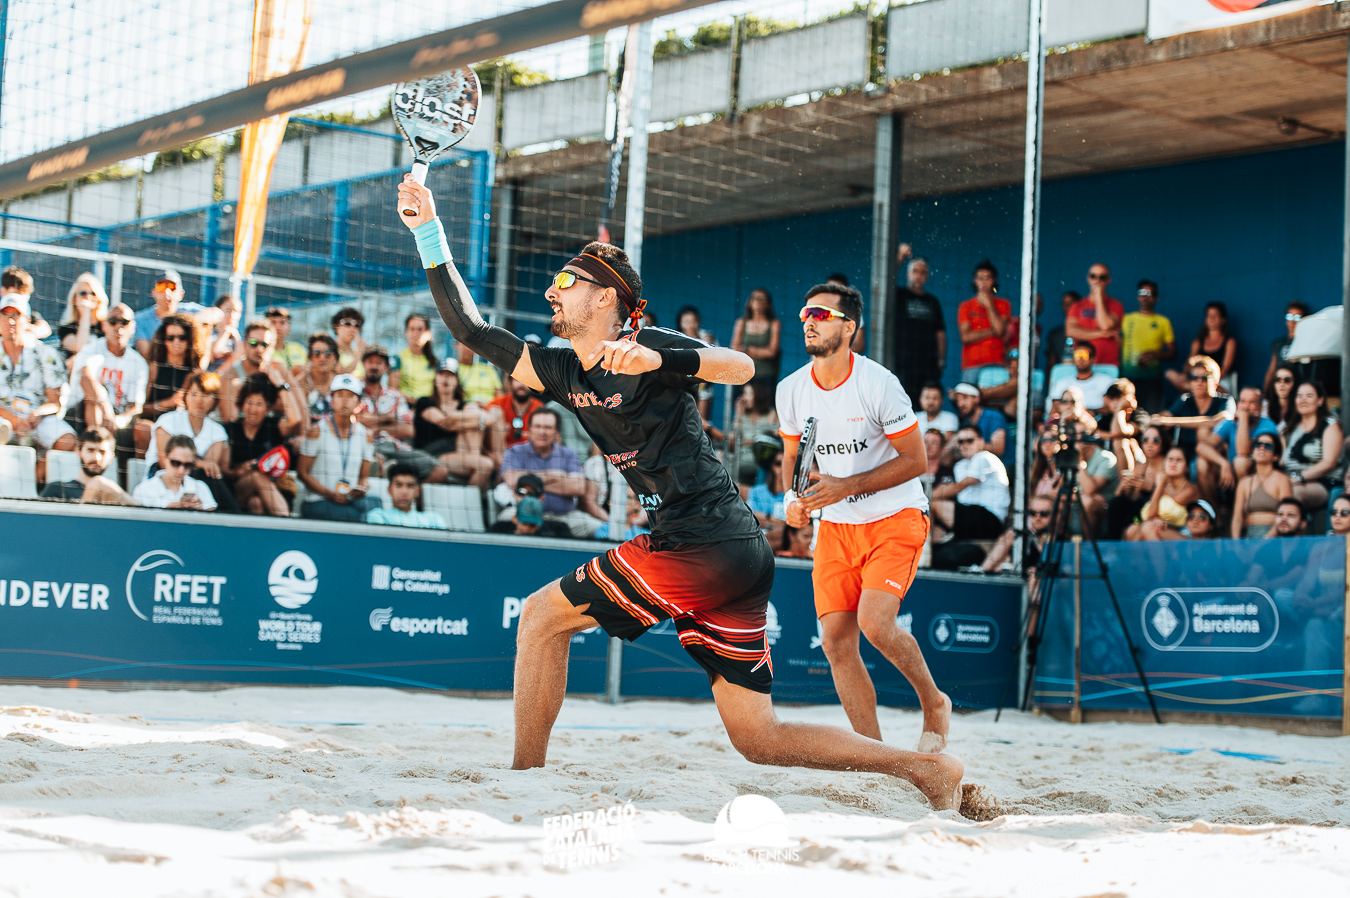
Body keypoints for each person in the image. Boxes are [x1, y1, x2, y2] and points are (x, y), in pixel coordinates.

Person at [398, 176, 963, 809]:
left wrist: (659, 362)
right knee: (760, 739)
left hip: (707, 540)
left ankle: (524, 784)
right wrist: (428, 230)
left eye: (568, 280)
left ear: (607, 297)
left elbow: (742, 367)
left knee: (539, 618)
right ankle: (923, 769)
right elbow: (472, 330)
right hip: (728, 549)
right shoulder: (561, 367)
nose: (554, 289)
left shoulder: (649, 346)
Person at [776, 282, 951, 752]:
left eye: (821, 313)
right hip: (834, 525)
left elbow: (917, 462)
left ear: (849, 327)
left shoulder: (878, 383)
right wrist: (793, 503)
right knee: (835, 642)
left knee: (876, 625)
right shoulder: (790, 389)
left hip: (894, 516)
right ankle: (875, 757)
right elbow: (794, 464)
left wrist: (845, 487)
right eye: (804, 313)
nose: (808, 320)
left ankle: (934, 704)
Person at [64, 302, 150, 466]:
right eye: (112, 321)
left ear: (132, 327)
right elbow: (85, 378)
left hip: (118, 419)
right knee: (92, 402)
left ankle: (135, 479)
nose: (118, 327)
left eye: (124, 322)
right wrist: (105, 407)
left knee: (146, 428)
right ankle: (96, 455)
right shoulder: (91, 350)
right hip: (81, 414)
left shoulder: (138, 362)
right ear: (104, 325)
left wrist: (120, 420)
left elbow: (135, 406)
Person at [501, 407, 605, 537]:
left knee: (597, 528)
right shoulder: (515, 451)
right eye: (537, 426)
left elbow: (578, 487)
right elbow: (511, 480)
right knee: (503, 520)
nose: (542, 432)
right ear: (530, 429)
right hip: (524, 515)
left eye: (548, 427)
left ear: (556, 432)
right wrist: (557, 476)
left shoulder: (569, 454)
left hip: (565, 517)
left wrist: (531, 484)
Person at [355, 345, 450, 484]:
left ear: (387, 368)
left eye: (379, 363)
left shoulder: (395, 396)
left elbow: (409, 430)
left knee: (440, 471)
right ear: (363, 364)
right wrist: (387, 419)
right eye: (370, 362)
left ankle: (411, 498)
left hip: (396, 448)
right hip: (365, 447)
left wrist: (375, 426)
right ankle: (384, 467)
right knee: (375, 463)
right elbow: (354, 421)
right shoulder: (353, 391)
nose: (374, 366)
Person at [146, 370, 237, 512]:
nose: (199, 400)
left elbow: (210, 468)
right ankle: (232, 514)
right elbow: (165, 461)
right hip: (162, 479)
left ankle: (231, 515)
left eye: (205, 394)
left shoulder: (217, 431)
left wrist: (199, 464)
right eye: (194, 393)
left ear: (215, 399)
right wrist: (198, 463)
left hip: (197, 483)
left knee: (209, 476)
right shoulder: (168, 421)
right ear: (186, 395)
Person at [0, 291, 76, 455]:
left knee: (68, 440)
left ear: (27, 321)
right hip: (2, 418)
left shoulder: (45, 353)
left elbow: (55, 402)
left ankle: (37, 477)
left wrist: (38, 413)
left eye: (16, 315)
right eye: (5, 315)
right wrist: (12, 419)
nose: (10, 321)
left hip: (35, 420)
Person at [297, 373, 380, 521]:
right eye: (340, 395)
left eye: (350, 395)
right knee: (353, 517)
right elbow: (302, 473)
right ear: (332, 399)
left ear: (358, 402)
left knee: (376, 505)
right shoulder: (317, 431)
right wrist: (330, 494)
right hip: (319, 499)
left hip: (349, 500)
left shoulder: (365, 434)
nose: (345, 400)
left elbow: (364, 478)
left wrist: (360, 489)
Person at [1149, 356, 1235, 496]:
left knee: (1203, 437)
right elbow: (1164, 417)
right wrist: (1154, 419)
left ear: (1215, 380)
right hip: (1185, 457)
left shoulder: (1225, 401)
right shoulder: (1184, 400)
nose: (1199, 382)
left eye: (1204, 378)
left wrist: (1174, 421)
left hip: (1214, 460)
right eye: (1194, 378)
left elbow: (1217, 421)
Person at [224, 376, 305, 516]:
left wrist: (281, 385)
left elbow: (296, 419)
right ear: (242, 404)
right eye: (249, 403)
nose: (253, 409)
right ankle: (285, 520)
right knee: (256, 475)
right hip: (238, 490)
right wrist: (241, 470)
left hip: (271, 489)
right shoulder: (230, 429)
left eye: (260, 404)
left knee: (256, 503)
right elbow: (223, 470)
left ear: (268, 408)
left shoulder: (274, 426)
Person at [413, 358, 495, 491]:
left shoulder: (464, 406)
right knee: (485, 465)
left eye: (450, 375)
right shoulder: (425, 402)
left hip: (460, 452)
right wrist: (477, 420)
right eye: (441, 374)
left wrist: (457, 416)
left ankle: (474, 458)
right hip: (433, 454)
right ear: (435, 378)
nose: (445, 379)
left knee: (472, 410)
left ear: (457, 380)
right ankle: (474, 500)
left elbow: (491, 419)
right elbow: (446, 423)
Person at [930, 425, 1009, 543]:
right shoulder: (960, 466)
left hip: (990, 519)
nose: (965, 445)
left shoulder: (985, 457)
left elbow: (959, 486)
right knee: (935, 530)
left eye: (970, 440)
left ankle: (924, 554)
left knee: (933, 504)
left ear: (981, 442)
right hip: (970, 516)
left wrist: (926, 496)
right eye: (961, 441)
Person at [1280, 380, 1343, 513]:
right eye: (1299, 396)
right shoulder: (1288, 429)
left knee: (1292, 493)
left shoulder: (1330, 426)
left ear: (1320, 400)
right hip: (1290, 480)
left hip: (1323, 482)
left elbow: (1329, 463)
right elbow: (1280, 461)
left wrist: (1298, 478)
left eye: (1309, 396)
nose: (1303, 400)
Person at [218, 321, 301, 423]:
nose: (259, 349)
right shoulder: (231, 376)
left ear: (272, 346)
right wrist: (273, 405)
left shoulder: (278, 368)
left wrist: (301, 435)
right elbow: (230, 421)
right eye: (253, 343)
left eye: (265, 344)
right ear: (244, 344)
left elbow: (301, 407)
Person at [1201, 385, 1281, 487]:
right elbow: (1202, 446)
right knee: (1202, 463)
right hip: (1231, 472)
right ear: (1237, 405)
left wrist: (1243, 419)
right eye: (1243, 402)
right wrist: (1223, 463)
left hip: (1259, 476)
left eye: (1252, 402)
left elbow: (1243, 452)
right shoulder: (1230, 423)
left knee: (1240, 462)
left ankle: (1245, 501)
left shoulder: (1267, 425)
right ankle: (1212, 503)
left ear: (1261, 408)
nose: (1246, 407)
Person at [133, 269, 217, 360]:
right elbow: (147, 353)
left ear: (181, 294)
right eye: (161, 287)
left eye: (172, 287)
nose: (167, 292)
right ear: (153, 292)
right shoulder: (140, 318)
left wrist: (185, 323)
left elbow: (217, 313)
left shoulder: (189, 310)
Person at [892, 250, 946, 390]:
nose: (918, 275)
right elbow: (886, 278)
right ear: (907, 274)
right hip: (902, 362)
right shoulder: (899, 295)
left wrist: (941, 360)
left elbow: (940, 333)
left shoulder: (932, 301)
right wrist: (900, 257)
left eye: (922, 272)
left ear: (927, 276)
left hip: (927, 363)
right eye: (915, 271)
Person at [41, 427, 136, 505]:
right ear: (78, 452)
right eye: (90, 450)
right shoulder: (56, 488)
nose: (96, 458)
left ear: (111, 457)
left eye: (102, 452)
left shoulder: (117, 494)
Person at [1105, 425, 1170, 539]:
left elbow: (1173, 493)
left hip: (1159, 510)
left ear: (1163, 442)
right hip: (1139, 510)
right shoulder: (1140, 467)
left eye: (1155, 440)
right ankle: (1113, 546)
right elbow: (1127, 497)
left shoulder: (1168, 464)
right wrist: (1124, 486)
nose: (1150, 444)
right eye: (1145, 440)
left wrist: (1150, 487)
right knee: (1116, 503)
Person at [142, 314, 207, 426]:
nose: (176, 342)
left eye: (182, 337)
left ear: (191, 339)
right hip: (153, 424)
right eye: (170, 338)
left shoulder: (196, 372)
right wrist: (168, 403)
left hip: (184, 426)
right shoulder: (153, 368)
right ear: (163, 340)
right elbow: (140, 410)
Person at [1119, 279, 1174, 411]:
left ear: (1156, 297)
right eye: (1142, 292)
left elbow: (1173, 353)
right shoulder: (1126, 319)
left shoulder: (1163, 322)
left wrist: (1155, 355)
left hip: (1152, 379)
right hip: (1128, 378)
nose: (1145, 296)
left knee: (1152, 416)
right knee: (1128, 415)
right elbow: (1117, 345)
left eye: (1150, 293)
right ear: (1138, 296)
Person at [1123, 447, 1199, 541]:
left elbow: (1151, 515)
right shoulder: (1165, 487)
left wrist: (1159, 486)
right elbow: (1151, 516)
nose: (1173, 463)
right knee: (1132, 530)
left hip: (1182, 535)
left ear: (1187, 467)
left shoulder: (1190, 489)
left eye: (1179, 460)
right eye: (1170, 459)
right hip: (1160, 530)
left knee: (1148, 527)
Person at [956, 259, 1010, 385]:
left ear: (994, 280)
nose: (984, 282)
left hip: (996, 362)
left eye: (988, 278)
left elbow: (1000, 330)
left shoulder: (1004, 304)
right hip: (971, 364)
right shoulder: (966, 306)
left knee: (996, 402)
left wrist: (989, 305)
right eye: (980, 278)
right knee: (968, 401)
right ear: (975, 280)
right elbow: (965, 337)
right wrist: (992, 331)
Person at [131, 434, 217, 511]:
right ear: (164, 459)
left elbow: (214, 522)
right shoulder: (143, 490)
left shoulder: (201, 488)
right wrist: (166, 511)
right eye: (176, 463)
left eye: (188, 465)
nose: (181, 470)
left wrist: (202, 510)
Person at [1231, 432, 1292, 539]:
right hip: (1248, 535)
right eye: (1257, 444)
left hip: (1275, 536)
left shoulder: (1282, 479)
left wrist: (1265, 540)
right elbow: (1237, 517)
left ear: (1276, 456)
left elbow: (1286, 515)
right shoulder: (1244, 482)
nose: (1261, 448)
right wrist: (1236, 543)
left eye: (1268, 446)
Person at [1167, 301, 1237, 394]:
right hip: (1198, 379)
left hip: (1219, 382)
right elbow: (1189, 363)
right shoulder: (1198, 341)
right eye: (1208, 315)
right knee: (1169, 373)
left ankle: (1196, 388)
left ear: (1223, 319)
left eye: (1215, 315)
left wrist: (1209, 381)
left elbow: (1225, 369)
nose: (1211, 319)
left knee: (1213, 389)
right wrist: (1185, 374)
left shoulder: (1230, 342)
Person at [980, 493, 1055, 574]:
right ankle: (980, 571)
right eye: (1033, 513)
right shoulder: (1029, 539)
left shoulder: (1058, 541)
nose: (1037, 517)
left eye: (1044, 514)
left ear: (1055, 515)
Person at [1065, 263, 1124, 368]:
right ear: (1088, 278)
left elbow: (1105, 325)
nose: (1097, 280)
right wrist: (1103, 334)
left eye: (1102, 277)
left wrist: (1099, 298)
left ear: (1109, 280)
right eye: (1093, 276)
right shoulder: (1077, 306)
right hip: (1083, 365)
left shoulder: (1116, 305)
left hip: (1109, 364)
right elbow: (1071, 331)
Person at [364, 463, 449, 529]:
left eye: (410, 486)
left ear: (417, 491)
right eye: (399, 485)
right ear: (389, 489)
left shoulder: (433, 519)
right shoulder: (378, 516)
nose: (404, 492)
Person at [486, 373, 544, 465]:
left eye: (526, 381)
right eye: (517, 380)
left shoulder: (539, 408)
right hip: (500, 456)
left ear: (532, 385)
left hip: (529, 457)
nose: (521, 385)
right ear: (510, 383)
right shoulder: (498, 402)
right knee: (494, 411)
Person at [729, 381, 779, 487]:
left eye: (748, 394)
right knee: (722, 455)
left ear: (758, 395)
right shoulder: (743, 414)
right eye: (743, 394)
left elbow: (766, 438)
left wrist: (744, 442)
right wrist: (737, 415)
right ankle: (727, 489)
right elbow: (733, 439)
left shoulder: (770, 413)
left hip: (758, 456)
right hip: (741, 454)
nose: (744, 398)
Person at [676, 305, 718, 428]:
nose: (690, 325)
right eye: (686, 322)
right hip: (684, 385)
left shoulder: (706, 337)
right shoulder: (676, 339)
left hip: (704, 383)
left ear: (698, 322)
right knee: (685, 421)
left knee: (701, 423)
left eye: (693, 321)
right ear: (680, 323)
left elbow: (715, 360)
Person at [731, 287, 781, 392]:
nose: (758, 302)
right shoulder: (741, 323)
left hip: (765, 374)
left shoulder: (774, 324)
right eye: (755, 298)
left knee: (764, 407)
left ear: (768, 304)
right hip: (743, 373)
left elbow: (772, 351)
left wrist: (747, 350)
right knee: (741, 405)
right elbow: (734, 348)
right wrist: (761, 351)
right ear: (749, 302)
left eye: (762, 299)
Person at [1045, 341, 1114, 413]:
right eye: (1077, 355)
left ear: (1093, 359)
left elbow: (1111, 407)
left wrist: (1092, 413)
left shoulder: (1106, 381)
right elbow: (1054, 410)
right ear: (1073, 359)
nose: (1081, 359)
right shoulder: (1062, 383)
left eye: (1085, 355)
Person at [1099, 379, 1149, 476]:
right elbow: (1095, 432)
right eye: (1112, 398)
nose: (1115, 402)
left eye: (1119, 398)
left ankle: (1125, 487)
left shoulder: (1140, 415)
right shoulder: (1107, 418)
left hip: (1140, 464)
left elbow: (1121, 432)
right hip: (1112, 462)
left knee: (1121, 442)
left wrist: (1120, 409)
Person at [56, 273, 109, 361]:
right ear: (74, 298)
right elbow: (79, 349)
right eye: (83, 293)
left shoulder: (108, 326)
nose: (88, 297)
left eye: (93, 293)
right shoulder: (66, 329)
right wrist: (85, 315)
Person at [1263, 301, 1313, 393]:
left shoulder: (1307, 343)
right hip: (1278, 388)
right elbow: (1271, 369)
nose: (1293, 321)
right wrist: (1265, 392)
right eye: (1289, 317)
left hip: (1297, 388)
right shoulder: (1278, 343)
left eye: (1297, 318)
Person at [948, 382, 1006, 459]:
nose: (960, 404)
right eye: (958, 400)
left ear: (977, 398)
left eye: (965, 398)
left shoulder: (993, 416)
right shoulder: (966, 422)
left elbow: (998, 448)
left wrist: (971, 444)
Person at [389, 313, 438, 401]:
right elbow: (393, 391)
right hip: (404, 406)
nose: (416, 333)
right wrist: (414, 402)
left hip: (428, 407)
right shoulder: (397, 358)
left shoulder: (435, 362)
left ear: (428, 333)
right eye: (412, 329)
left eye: (420, 329)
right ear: (406, 332)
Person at [747, 451, 788, 545]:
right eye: (778, 464)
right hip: (763, 540)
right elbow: (750, 518)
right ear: (772, 466)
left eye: (786, 463)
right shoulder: (757, 491)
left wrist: (766, 518)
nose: (782, 468)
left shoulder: (801, 494)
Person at [296, 333, 339, 424]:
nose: (322, 358)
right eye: (316, 353)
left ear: (335, 357)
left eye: (328, 353)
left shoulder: (340, 383)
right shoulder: (301, 381)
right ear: (310, 358)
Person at [1043, 290, 1079, 373]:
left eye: (1071, 303)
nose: (1067, 306)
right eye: (1065, 304)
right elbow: (1051, 364)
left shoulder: (1087, 331)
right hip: (1062, 376)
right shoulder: (1055, 334)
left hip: (1084, 376)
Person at [206, 294, 244, 372]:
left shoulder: (237, 338)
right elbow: (209, 356)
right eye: (228, 310)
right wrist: (224, 332)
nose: (232, 315)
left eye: (236, 311)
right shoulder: (208, 332)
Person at [331, 306, 367, 374]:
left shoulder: (357, 353)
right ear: (336, 327)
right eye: (347, 323)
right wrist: (359, 353)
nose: (352, 328)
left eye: (357, 325)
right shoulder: (330, 350)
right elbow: (341, 374)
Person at [1264, 364, 1298, 431]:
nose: (1282, 384)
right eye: (1277, 379)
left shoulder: (1299, 408)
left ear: (1294, 383)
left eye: (1287, 380)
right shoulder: (1264, 407)